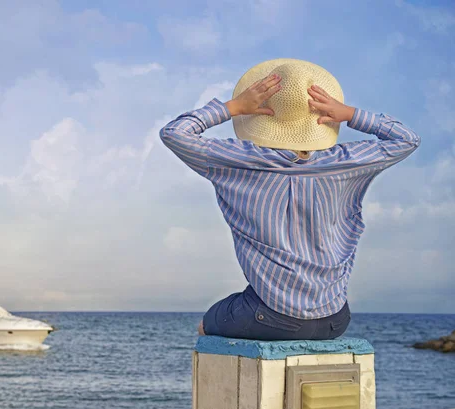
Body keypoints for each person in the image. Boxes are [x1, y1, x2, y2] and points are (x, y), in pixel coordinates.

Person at [160, 59, 420, 341]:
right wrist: (350, 114)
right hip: (335, 318)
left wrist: (233, 107)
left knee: (208, 324)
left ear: (259, 119)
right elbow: (407, 139)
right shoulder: (345, 163)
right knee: (249, 297)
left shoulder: (238, 162)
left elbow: (174, 133)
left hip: (272, 317)